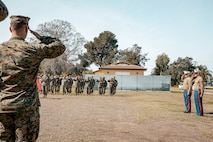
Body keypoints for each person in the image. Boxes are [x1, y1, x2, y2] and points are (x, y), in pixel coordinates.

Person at [0, 15, 65, 141]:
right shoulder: (32, 49)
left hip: (2, 107)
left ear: (10, 29)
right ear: (26, 29)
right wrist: (41, 37)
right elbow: (59, 47)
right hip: (26, 107)